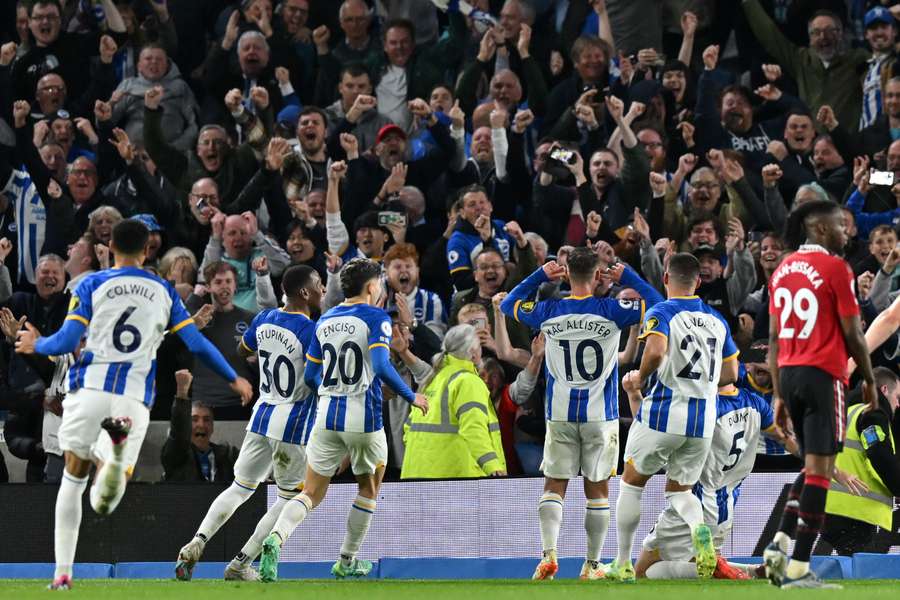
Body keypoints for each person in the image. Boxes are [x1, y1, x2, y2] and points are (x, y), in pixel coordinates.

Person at [14, 219, 253, 590]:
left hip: (87, 390)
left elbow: (65, 341)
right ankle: (111, 463)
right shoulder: (162, 290)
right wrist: (233, 378)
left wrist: (35, 344)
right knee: (107, 501)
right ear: (146, 252)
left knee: (72, 481)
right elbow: (196, 343)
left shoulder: (92, 284)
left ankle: (63, 573)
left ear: (109, 248)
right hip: (132, 397)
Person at [257, 258, 428, 581]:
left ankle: (275, 539)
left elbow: (309, 375)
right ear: (371, 287)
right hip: (364, 421)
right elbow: (380, 364)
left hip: (326, 418)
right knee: (368, 488)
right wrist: (411, 396)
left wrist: (331, 390)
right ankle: (347, 561)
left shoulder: (325, 320)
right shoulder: (376, 317)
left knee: (310, 492)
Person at [499, 247, 663, 580]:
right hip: (600, 415)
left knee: (554, 485)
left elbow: (507, 304)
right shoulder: (614, 310)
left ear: (567, 272)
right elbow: (659, 303)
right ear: (598, 273)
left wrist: (540, 276)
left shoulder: (548, 310)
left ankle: (548, 555)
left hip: (559, 413)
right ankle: (591, 564)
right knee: (597, 489)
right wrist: (625, 276)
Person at [175, 265, 324, 582]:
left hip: (261, 415)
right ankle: (241, 564)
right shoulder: (312, 331)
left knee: (239, 488)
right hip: (293, 422)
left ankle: (196, 542)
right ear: (305, 292)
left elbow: (244, 349)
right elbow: (314, 377)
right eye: (320, 285)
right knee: (286, 499)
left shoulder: (264, 318)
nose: (323, 290)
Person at [763, 200, 877, 589]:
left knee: (813, 469)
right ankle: (797, 567)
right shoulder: (834, 268)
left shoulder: (781, 269)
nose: (847, 233)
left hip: (790, 375)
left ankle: (779, 543)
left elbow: (775, 338)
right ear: (823, 230)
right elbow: (854, 334)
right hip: (823, 375)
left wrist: (778, 395)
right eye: (842, 226)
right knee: (822, 474)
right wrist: (870, 380)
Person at [610, 252, 740, 583]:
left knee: (631, 483)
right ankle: (699, 529)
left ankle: (623, 561)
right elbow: (732, 372)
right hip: (703, 421)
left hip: (665, 411)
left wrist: (640, 377)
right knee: (680, 491)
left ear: (666, 278)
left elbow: (654, 351)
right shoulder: (716, 319)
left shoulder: (662, 311)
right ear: (698, 281)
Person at [626, 380, 797, 580]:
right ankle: (756, 571)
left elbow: (654, 432)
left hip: (692, 505)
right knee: (694, 562)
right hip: (725, 507)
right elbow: (785, 440)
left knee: (643, 571)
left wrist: (633, 394)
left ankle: (720, 570)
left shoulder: (702, 407)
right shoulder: (755, 403)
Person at [400, 324, 506, 479]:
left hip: (416, 472)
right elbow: (473, 429)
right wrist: (493, 467)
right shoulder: (468, 381)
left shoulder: (433, 378)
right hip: (454, 475)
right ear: (473, 353)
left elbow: (408, 429)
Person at [817, 367, 900, 556]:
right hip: (853, 511)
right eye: (897, 397)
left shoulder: (848, 411)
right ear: (884, 390)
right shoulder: (873, 414)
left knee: (843, 570)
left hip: (830, 505)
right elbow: (879, 454)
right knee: (863, 573)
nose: (897, 405)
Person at [160, 370, 238, 483]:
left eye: (206, 420)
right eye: (194, 419)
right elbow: (179, 435)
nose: (201, 424)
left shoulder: (228, 456)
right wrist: (182, 393)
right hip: (184, 500)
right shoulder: (176, 455)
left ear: (212, 426)